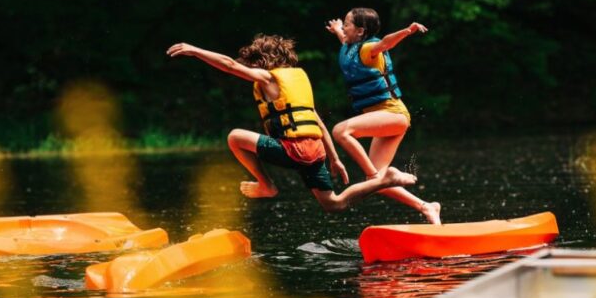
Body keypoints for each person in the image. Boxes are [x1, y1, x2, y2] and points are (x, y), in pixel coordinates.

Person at [167, 34, 418, 212]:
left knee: (234, 137)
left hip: (293, 149)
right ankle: (385, 180)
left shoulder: (268, 78)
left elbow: (231, 66)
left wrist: (196, 51)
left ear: (262, 61)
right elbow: (317, 123)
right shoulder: (298, 78)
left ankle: (266, 185)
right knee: (334, 203)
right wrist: (334, 159)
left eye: (254, 63)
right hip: (316, 151)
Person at [325, 7, 441, 224]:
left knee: (341, 131)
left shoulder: (369, 49)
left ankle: (380, 176)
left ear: (360, 31)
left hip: (393, 114)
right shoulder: (350, 45)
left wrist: (407, 30)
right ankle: (427, 207)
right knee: (375, 184)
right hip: (385, 119)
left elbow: (386, 42)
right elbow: (343, 38)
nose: (344, 27)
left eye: (347, 24)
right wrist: (337, 29)